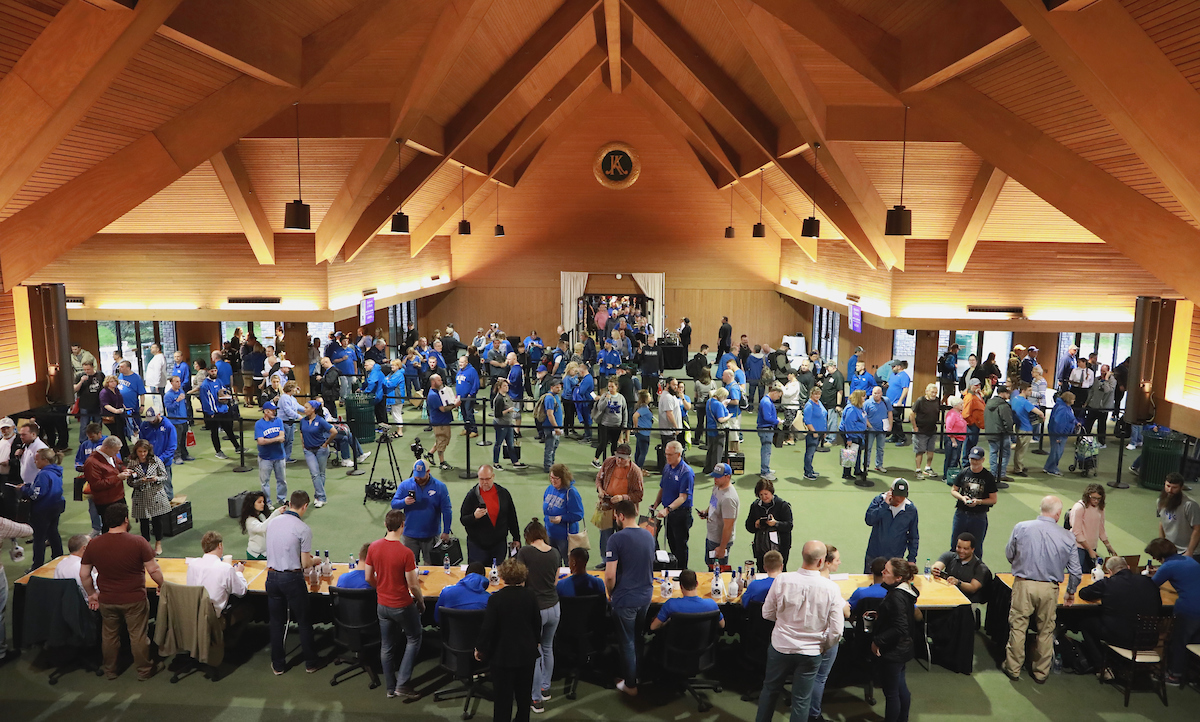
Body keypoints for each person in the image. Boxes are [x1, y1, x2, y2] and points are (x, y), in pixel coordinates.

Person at [754, 540, 844, 722]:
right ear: (821, 562)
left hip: (781, 647)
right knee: (802, 701)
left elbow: (767, 613)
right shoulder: (832, 589)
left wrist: (783, 624)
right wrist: (823, 646)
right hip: (811, 653)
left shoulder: (782, 580)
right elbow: (836, 631)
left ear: (803, 556)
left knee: (770, 691)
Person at [1002, 496, 1082, 682]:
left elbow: (1009, 554)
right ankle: (1041, 672)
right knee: (1046, 631)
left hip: (1024, 584)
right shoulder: (1067, 536)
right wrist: (1070, 592)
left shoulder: (1021, 527)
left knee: (1018, 627)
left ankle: (1013, 668)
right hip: (1049, 588)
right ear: (1058, 514)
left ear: (1041, 508)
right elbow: (1076, 571)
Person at [80, 503, 163, 680]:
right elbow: (153, 570)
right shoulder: (138, 542)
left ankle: (110, 670)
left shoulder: (94, 544)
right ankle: (144, 670)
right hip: (134, 599)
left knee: (109, 635)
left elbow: (84, 574)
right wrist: (162, 584)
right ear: (125, 519)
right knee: (138, 635)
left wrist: (92, 594)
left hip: (107, 599)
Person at [360, 508, 424, 699]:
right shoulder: (406, 553)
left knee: (386, 646)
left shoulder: (373, 547)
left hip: (383, 605)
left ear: (385, 525)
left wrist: (381, 588)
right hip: (402, 605)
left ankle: (390, 688)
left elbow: (368, 577)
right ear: (403, 526)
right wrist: (420, 602)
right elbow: (413, 584)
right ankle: (403, 684)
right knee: (414, 638)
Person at [264, 490, 323, 675]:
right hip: (292, 579)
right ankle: (311, 662)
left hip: (272, 577)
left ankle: (278, 665)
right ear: (304, 506)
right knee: (304, 621)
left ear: (289, 504)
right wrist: (315, 560)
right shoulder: (303, 529)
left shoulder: (273, 523)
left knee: (276, 623)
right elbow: (306, 564)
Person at [1074, 555, 1162, 678]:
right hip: (1149, 637)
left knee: (1086, 623)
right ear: (1128, 567)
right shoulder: (1149, 582)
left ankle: (1101, 667)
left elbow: (1084, 593)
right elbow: (1159, 607)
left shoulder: (1108, 583)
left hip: (1121, 637)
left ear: (1109, 572)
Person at [476, 558, 541, 722]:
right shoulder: (531, 596)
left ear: (503, 576)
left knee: (502, 701)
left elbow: (488, 628)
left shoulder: (496, 599)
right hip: (526, 654)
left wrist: (480, 648)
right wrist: (536, 642)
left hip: (502, 656)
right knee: (524, 699)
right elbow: (536, 622)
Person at [605, 499, 655, 696]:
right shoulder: (649, 536)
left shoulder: (616, 539)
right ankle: (638, 675)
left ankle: (631, 684)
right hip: (645, 597)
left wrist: (610, 593)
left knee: (627, 642)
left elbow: (609, 575)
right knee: (637, 638)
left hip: (625, 599)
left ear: (621, 516)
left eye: (616, 516)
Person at [517, 518, 561, 712]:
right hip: (554, 607)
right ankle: (545, 688)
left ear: (528, 536)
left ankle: (535, 699)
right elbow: (555, 581)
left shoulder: (525, 552)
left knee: (534, 653)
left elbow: (520, 582)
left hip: (537, 610)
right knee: (548, 648)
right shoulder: (555, 553)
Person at [1145, 537, 1200, 686]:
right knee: (1195, 642)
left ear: (1159, 556)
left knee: (1179, 642)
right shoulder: (1190, 561)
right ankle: (1192, 675)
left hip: (1188, 609)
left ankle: (1175, 675)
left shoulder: (1167, 567)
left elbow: (1151, 586)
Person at [872, 558, 920, 722]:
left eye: (886, 571)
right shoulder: (907, 590)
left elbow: (900, 628)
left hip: (894, 651)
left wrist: (877, 640)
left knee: (892, 694)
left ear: (898, 578)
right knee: (901, 689)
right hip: (903, 649)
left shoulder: (896, 598)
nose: (882, 573)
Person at [389, 459, 452, 564]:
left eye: (421, 475)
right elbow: (394, 504)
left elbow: (447, 510)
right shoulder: (405, 485)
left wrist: (446, 531)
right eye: (416, 475)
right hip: (410, 534)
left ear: (428, 472)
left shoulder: (440, 487)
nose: (418, 478)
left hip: (431, 534)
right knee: (409, 566)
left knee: (432, 566)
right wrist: (404, 501)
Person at [460, 465, 521, 565]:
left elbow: (512, 517)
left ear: (493, 476)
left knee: (497, 575)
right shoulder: (472, 496)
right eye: (481, 479)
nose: (484, 482)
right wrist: (474, 517)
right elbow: (463, 519)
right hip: (477, 546)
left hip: (499, 545)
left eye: (487, 479)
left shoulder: (503, 494)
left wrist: (516, 538)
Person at [594, 443, 645, 556]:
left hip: (624, 512)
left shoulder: (635, 472)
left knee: (625, 540)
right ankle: (606, 561)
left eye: (622, 459)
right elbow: (598, 479)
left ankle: (623, 563)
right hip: (607, 508)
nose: (619, 460)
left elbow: (639, 495)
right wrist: (601, 490)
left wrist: (623, 497)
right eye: (617, 457)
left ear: (629, 458)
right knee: (605, 538)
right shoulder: (608, 462)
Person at [949, 447, 998, 559]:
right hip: (961, 513)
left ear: (982, 460)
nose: (974, 461)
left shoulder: (988, 476)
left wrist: (979, 502)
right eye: (972, 458)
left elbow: (993, 499)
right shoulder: (964, 472)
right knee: (955, 545)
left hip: (978, 516)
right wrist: (962, 498)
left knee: (976, 547)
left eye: (977, 459)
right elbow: (953, 490)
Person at [185, 531, 249, 617]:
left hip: (192, 614)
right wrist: (239, 573)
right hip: (212, 618)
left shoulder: (192, 564)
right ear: (220, 545)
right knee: (248, 607)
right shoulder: (225, 568)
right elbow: (241, 591)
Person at [652, 440, 694, 569]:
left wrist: (667, 509)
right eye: (666, 454)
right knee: (671, 541)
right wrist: (655, 504)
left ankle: (682, 571)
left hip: (681, 514)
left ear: (678, 454)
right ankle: (673, 568)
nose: (667, 457)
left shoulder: (686, 472)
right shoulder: (667, 467)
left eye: (670, 455)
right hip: (669, 514)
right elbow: (663, 488)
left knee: (680, 545)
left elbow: (683, 497)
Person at [126, 439, 171, 556]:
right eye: (140, 451)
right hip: (140, 496)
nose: (142, 454)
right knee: (143, 522)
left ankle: (158, 543)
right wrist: (141, 481)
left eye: (144, 451)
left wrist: (155, 479)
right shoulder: (132, 463)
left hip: (155, 494)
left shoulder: (155, 460)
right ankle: (146, 545)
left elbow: (164, 476)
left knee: (157, 521)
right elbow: (130, 482)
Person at [864, 479, 919, 573]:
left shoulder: (910, 509)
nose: (899, 500)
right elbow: (869, 520)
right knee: (871, 582)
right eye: (897, 496)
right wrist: (884, 506)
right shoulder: (879, 501)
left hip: (895, 559)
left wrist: (911, 559)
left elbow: (913, 536)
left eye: (902, 497)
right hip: (874, 555)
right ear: (890, 491)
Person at [22, 447, 65, 569]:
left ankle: (37, 566)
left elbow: (36, 494)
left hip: (43, 510)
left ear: (45, 460)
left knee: (39, 539)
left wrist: (24, 489)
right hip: (55, 506)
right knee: (53, 533)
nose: (35, 462)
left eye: (37, 460)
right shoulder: (56, 471)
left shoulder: (43, 474)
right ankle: (58, 558)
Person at [650, 568, 724, 631]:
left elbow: (653, 627)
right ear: (697, 584)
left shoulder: (670, 604)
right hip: (702, 645)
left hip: (677, 645)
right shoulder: (711, 604)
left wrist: (668, 621)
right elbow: (722, 625)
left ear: (680, 586)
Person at [83, 435, 131, 531]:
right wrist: (117, 478)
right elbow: (97, 485)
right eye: (115, 450)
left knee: (123, 525)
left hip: (119, 497)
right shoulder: (92, 463)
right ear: (106, 448)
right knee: (110, 528)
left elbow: (119, 464)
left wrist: (125, 470)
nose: (117, 453)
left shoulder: (111, 455)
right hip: (106, 502)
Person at [745, 478, 793, 571]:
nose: (764, 497)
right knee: (762, 569)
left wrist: (776, 523)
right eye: (761, 495)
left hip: (780, 547)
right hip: (761, 547)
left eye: (766, 494)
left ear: (772, 492)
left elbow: (789, 525)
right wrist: (756, 524)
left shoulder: (783, 505)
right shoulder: (755, 506)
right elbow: (748, 526)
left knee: (779, 571)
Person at [1069, 483, 1117, 573]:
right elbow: (1077, 532)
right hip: (1078, 547)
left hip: (1092, 547)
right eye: (1093, 498)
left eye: (1098, 499)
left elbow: (1101, 528)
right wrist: (1089, 550)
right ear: (1088, 496)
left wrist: (1108, 545)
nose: (1096, 501)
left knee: (1090, 574)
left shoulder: (1100, 508)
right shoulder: (1079, 507)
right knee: (1076, 574)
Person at [196, 363, 240, 460]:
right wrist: (211, 413)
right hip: (214, 413)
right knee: (214, 432)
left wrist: (226, 395)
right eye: (212, 371)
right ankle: (218, 451)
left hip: (223, 410)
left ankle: (237, 447)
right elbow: (206, 401)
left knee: (228, 429)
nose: (214, 372)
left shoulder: (219, 381)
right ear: (208, 372)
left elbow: (223, 390)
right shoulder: (205, 385)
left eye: (215, 370)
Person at [932, 533, 992, 604]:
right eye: (959, 547)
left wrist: (958, 583)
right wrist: (935, 569)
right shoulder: (949, 556)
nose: (961, 551)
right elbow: (937, 565)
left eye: (965, 549)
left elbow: (973, 588)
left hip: (967, 604)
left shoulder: (981, 568)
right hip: (947, 598)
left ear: (972, 549)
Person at [542, 463, 584, 561]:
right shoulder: (549, 489)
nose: (553, 481)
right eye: (551, 477)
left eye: (556, 478)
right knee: (553, 563)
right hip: (550, 534)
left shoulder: (571, 492)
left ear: (563, 478)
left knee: (568, 563)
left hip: (565, 537)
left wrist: (562, 518)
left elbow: (578, 514)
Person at [700, 462, 739, 569]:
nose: (715, 479)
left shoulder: (728, 499)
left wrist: (722, 548)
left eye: (718, 477)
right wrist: (707, 512)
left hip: (719, 541)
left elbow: (728, 526)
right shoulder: (717, 487)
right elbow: (713, 502)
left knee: (718, 571)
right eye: (714, 476)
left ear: (728, 477)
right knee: (710, 565)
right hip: (712, 536)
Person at [299, 401, 336, 508]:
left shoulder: (320, 420)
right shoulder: (303, 421)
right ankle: (322, 497)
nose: (304, 409)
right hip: (308, 450)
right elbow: (301, 432)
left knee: (321, 473)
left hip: (321, 450)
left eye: (306, 408)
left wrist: (326, 443)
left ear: (313, 409)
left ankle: (318, 496)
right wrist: (303, 444)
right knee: (315, 474)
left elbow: (334, 431)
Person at [1157, 472, 1200, 557]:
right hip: (1171, 550)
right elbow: (1162, 523)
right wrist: (1161, 546)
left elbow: (1197, 529)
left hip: (1189, 552)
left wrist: (1190, 551)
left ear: (1181, 487)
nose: (1170, 490)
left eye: (1174, 488)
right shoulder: (1160, 501)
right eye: (1168, 486)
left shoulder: (1190, 505)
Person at [592, 379, 628, 466]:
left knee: (614, 444)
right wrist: (606, 400)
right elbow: (600, 408)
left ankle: (613, 461)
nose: (610, 388)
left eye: (612, 386)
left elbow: (624, 411)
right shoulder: (605, 396)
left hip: (617, 424)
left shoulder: (621, 398)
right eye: (609, 386)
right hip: (606, 424)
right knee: (603, 443)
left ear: (617, 387)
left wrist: (624, 424)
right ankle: (595, 459)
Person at [984, 383, 1014, 486]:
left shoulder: (988, 403)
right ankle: (1001, 474)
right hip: (1001, 434)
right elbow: (1007, 421)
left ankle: (993, 474)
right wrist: (1010, 432)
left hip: (990, 432)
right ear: (1003, 393)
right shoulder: (1003, 406)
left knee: (993, 452)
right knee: (1005, 453)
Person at [1042, 391, 1078, 476]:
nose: (1074, 401)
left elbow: (1069, 417)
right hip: (1059, 434)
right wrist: (1058, 436)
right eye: (1073, 399)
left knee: (1055, 451)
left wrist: (1076, 422)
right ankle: (1051, 469)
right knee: (1057, 452)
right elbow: (1058, 423)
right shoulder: (1063, 409)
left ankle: (1048, 467)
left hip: (1059, 433)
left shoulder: (1064, 406)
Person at [239, 491, 281, 560]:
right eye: (259, 502)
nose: (263, 504)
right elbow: (262, 528)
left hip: (265, 552)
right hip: (255, 555)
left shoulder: (261, 516)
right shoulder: (249, 520)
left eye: (263, 502)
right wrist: (276, 513)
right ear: (252, 504)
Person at [911, 383, 940, 479]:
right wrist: (915, 427)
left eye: (935, 392)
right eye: (932, 392)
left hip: (932, 430)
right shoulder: (920, 401)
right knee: (920, 451)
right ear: (927, 392)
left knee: (931, 450)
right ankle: (918, 470)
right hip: (921, 430)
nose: (934, 394)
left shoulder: (937, 401)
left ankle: (928, 468)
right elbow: (912, 414)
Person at [756, 383, 784, 480]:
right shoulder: (767, 402)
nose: (777, 398)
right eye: (778, 396)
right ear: (775, 392)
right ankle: (765, 472)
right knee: (766, 451)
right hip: (765, 429)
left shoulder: (766, 400)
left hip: (766, 428)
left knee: (766, 450)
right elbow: (767, 417)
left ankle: (766, 468)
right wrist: (777, 421)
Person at [840, 389, 868, 480]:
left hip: (858, 435)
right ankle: (846, 473)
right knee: (850, 453)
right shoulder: (851, 409)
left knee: (858, 452)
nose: (865, 398)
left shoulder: (860, 407)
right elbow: (849, 425)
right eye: (863, 396)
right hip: (851, 435)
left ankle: (857, 469)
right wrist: (849, 438)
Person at [75, 360, 104, 443]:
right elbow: (75, 389)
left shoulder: (100, 375)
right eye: (85, 369)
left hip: (97, 404)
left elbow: (104, 387)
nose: (86, 371)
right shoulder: (80, 375)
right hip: (84, 405)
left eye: (88, 369)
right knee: (84, 425)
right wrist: (81, 381)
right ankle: (83, 442)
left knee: (98, 424)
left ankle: (98, 439)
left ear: (92, 367)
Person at [863, 386, 891, 474]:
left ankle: (879, 465)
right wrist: (870, 426)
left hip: (882, 429)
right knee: (868, 448)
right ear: (872, 393)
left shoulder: (886, 401)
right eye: (875, 393)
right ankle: (866, 465)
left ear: (881, 393)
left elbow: (890, 413)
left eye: (878, 393)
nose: (876, 395)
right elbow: (864, 416)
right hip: (870, 430)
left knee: (881, 448)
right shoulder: (867, 403)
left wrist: (890, 426)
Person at [801, 386, 825, 480]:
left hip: (820, 432)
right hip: (813, 433)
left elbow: (823, 416)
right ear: (811, 394)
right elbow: (807, 420)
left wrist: (824, 431)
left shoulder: (819, 403)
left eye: (819, 394)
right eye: (815, 394)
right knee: (809, 453)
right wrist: (814, 431)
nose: (817, 396)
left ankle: (810, 469)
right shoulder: (809, 405)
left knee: (812, 452)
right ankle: (807, 472)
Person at [960, 378, 985, 466]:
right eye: (975, 385)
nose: (978, 386)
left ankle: (969, 462)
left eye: (979, 385)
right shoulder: (970, 397)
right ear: (971, 386)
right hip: (972, 425)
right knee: (969, 444)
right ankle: (966, 463)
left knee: (971, 444)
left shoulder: (977, 394)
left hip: (976, 424)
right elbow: (965, 414)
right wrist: (973, 422)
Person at [541, 377, 564, 472]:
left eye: (560, 387)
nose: (559, 389)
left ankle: (552, 464)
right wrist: (555, 427)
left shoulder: (556, 397)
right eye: (557, 387)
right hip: (551, 428)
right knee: (550, 448)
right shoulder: (550, 398)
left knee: (554, 447)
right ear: (552, 387)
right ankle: (548, 466)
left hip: (555, 427)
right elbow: (550, 414)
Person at [455, 356, 481, 438]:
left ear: (466, 362)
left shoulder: (472, 371)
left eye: (462, 362)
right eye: (460, 362)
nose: (460, 364)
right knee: (463, 412)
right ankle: (467, 428)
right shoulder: (460, 371)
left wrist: (471, 394)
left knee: (469, 413)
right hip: (461, 396)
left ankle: (474, 430)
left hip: (469, 396)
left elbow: (476, 383)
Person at [632, 389, 653, 470]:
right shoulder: (644, 408)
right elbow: (635, 416)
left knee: (638, 450)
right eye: (649, 396)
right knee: (643, 452)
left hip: (641, 432)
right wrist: (636, 427)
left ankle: (636, 467)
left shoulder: (642, 407)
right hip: (643, 433)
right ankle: (639, 469)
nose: (650, 397)